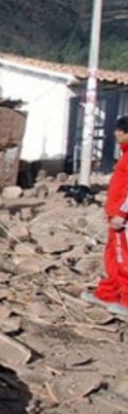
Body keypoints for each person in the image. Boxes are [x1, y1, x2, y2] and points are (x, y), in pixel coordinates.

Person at [82, 116, 128, 315]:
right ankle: (108, 294)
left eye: (120, 130)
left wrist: (121, 213)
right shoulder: (125, 155)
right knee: (113, 258)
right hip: (115, 217)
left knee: (123, 259)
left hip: (122, 219)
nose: (116, 133)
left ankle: (126, 301)